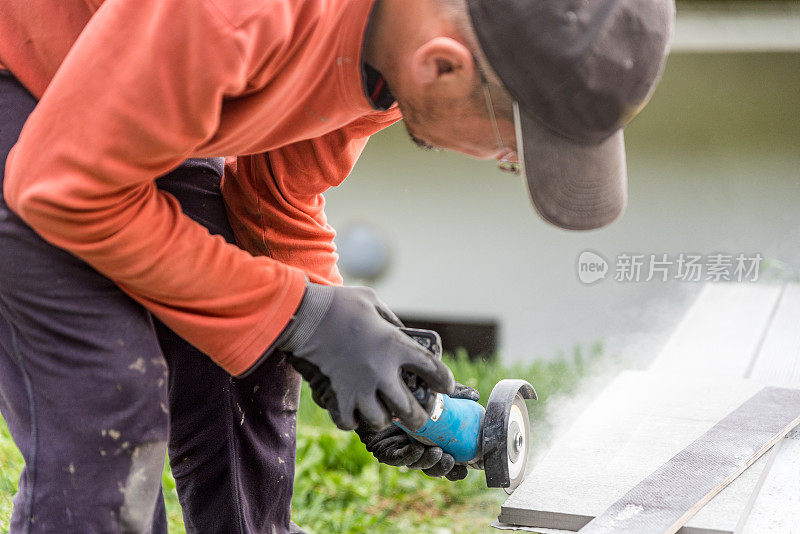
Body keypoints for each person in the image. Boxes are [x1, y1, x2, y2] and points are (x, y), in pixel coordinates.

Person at [0, 0, 674, 531]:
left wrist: (350, 351)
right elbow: (61, 187)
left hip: (137, 87)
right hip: (28, 91)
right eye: (510, 149)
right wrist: (300, 316)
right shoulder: (239, 12)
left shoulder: (392, 49)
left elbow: (273, 196)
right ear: (443, 67)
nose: (506, 164)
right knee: (109, 397)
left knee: (257, 338)